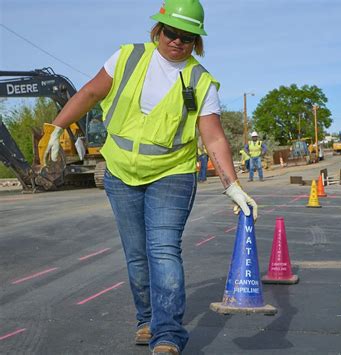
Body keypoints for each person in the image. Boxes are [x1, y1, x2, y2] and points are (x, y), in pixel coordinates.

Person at [42, 1, 257, 354]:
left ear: (197, 42)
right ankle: (146, 320)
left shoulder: (201, 82)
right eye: (171, 32)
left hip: (172, 174)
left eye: (187, 37)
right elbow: (91, 92)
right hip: (121, 172)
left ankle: (168, 333)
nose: (177, 41)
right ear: (158, 30)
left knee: (163, 251)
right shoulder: (127, 57)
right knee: (137, 254)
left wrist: (232, 185)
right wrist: (58, 125)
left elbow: (214, 136)